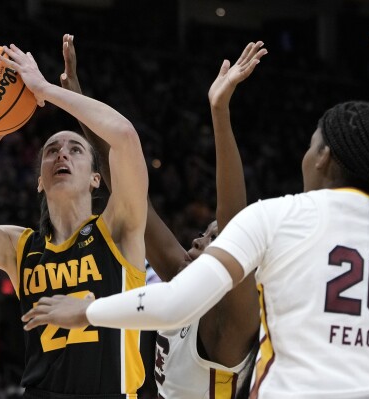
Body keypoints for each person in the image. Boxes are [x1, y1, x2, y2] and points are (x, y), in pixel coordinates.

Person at [21, 100, 369, 398]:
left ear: (323, 156)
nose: (200, 241)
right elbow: (135, 200)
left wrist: (85, 310)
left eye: (214, 238)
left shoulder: (230, 313)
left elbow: (225, 226)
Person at [0, 43, 149, 398]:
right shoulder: (20, 247)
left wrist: (44, 90)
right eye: (51, 150)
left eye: (75, 150)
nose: (62, 153)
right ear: (40, 182)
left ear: (96, 178)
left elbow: (123, 135)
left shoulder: (118, 228)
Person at [58, 34, 265, 398]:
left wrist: (219, 112)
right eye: (204, 232)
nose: (198, 239)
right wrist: (78, 104)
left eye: (214, 238)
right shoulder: (183, 281)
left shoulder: (233, 322)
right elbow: (128, 191)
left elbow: (234, 219)